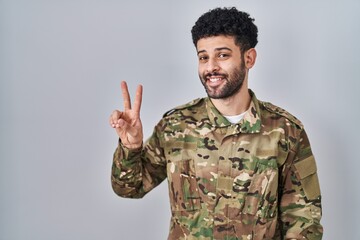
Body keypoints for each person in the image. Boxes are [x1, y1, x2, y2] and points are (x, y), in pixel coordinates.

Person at [109, 7, 323, 240]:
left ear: (248, 58)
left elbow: (304, 222)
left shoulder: (285, 131)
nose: (211, 67)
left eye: (222, 55)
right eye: (203, 57)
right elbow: (129, 188)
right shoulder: (175, 127)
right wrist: (130, 148)